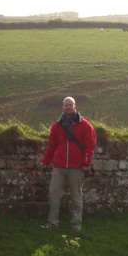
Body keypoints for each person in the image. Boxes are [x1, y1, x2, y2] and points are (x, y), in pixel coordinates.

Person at [41, 96, 96, 232]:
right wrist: (46, 162)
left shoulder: (85, 125)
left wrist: (86, 162)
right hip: (59, 166)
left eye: (70, 105)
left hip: (76, 167)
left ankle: (76, 224)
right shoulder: (57, 126)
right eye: (66, 105)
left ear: (75, 107)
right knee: (54, 193)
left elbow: (90, 145)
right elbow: (52, 146)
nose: (68, 107)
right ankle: (52, 222)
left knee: (76, 196)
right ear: (62, 107)